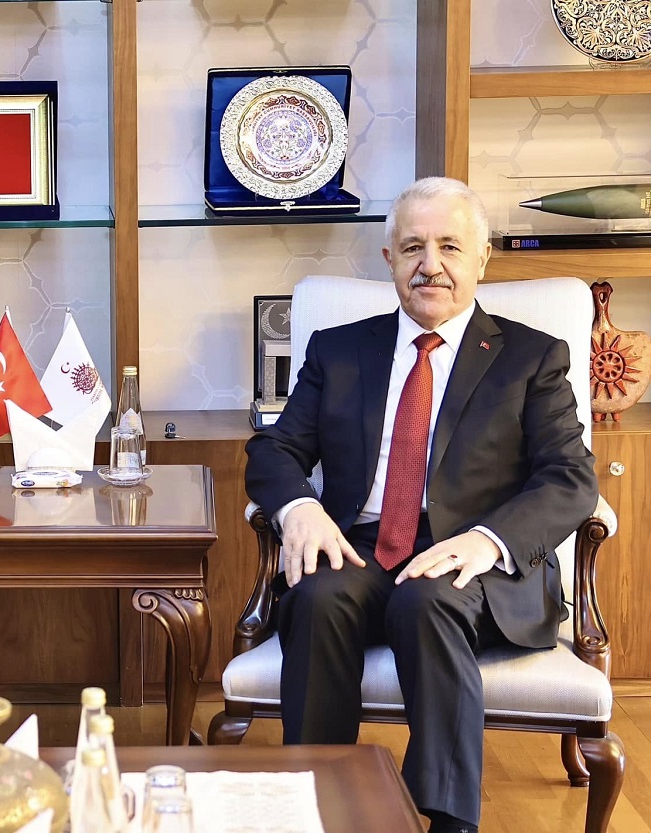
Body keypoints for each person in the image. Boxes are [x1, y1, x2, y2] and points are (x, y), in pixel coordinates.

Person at [244, 177, 597, 833]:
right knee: (317, 597)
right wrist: (299, 508)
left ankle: (447, 819)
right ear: (389, 260)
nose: (429, 265)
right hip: (364, 546)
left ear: (482, 258)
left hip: (477, 561)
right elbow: (275, 449)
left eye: (449, 247)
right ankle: (320, 804)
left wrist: (488, 540)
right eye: (412, 247)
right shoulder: (340, 350)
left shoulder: (531, 356)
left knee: (426, 598)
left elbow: (571, 478)